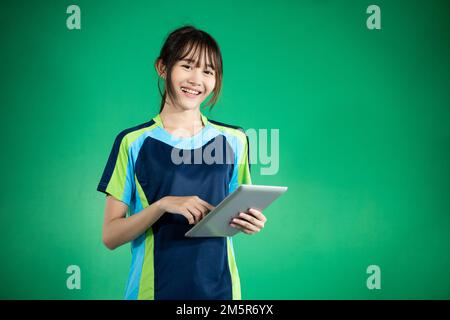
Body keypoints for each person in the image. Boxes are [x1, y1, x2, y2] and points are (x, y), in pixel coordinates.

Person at [96, 25, 267, 300]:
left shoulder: (235, 140)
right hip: (153, 292)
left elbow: (233, 216)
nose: (197, 79)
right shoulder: (133, 142)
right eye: (187, 66)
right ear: (162, 68)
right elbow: (110, 236)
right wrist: (163, 205)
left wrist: (249, 222)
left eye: (208, 71)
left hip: (221, 293)